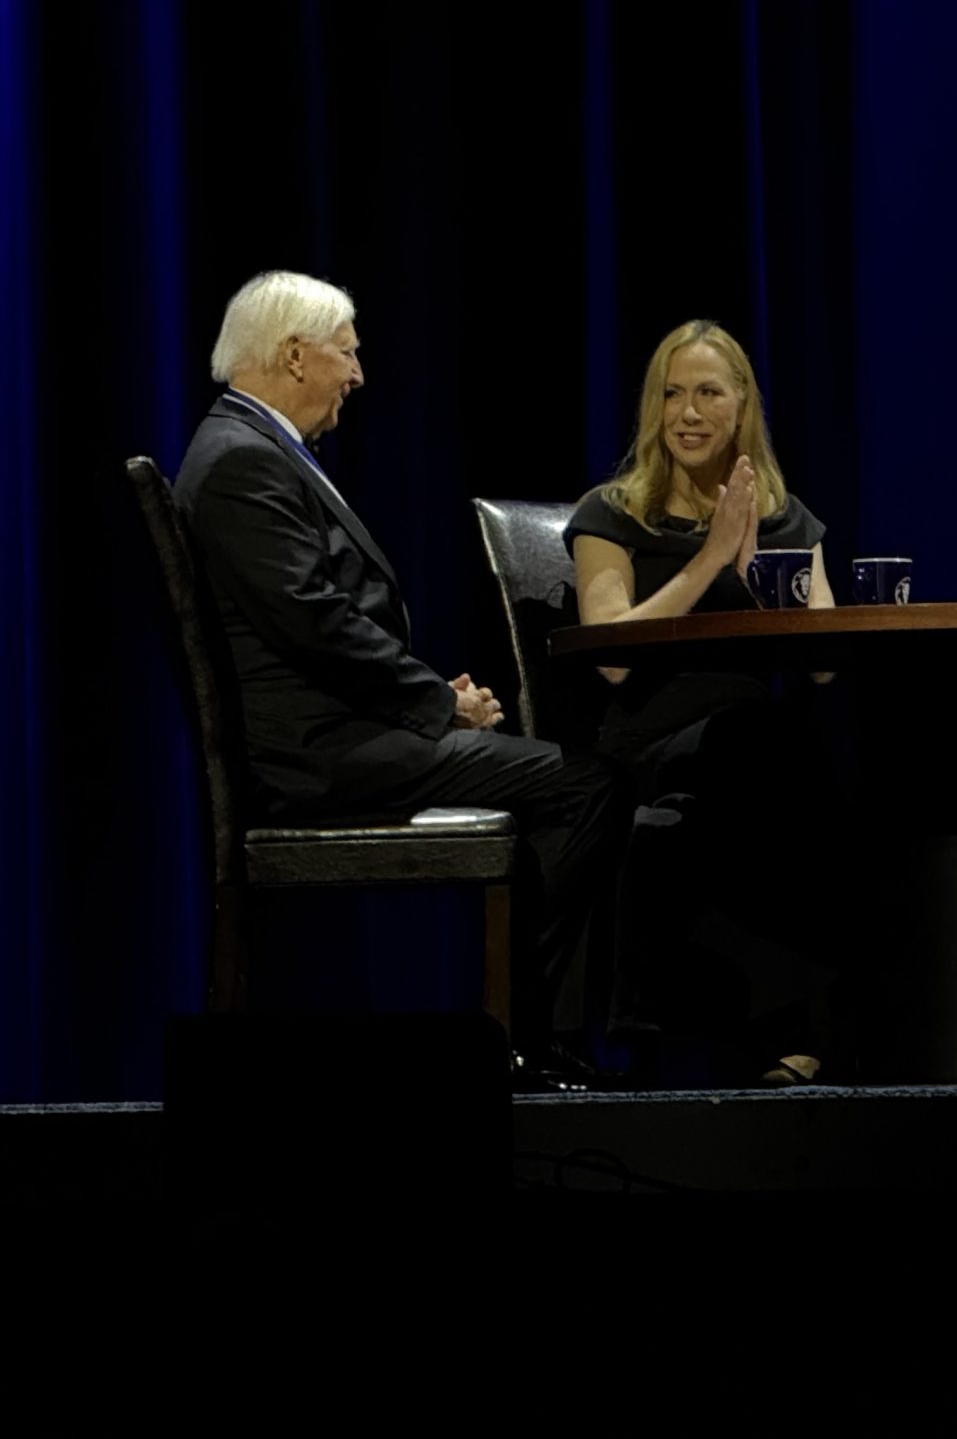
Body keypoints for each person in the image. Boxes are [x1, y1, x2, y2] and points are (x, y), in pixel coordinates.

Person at [174, 270, 625, 1080]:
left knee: (562, 778)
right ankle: (527, 1039)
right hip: (317, 757)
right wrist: (437, 705)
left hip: (341, 733)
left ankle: (522, 1030)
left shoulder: (250, 447)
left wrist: (428, 698)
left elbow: (320, 624)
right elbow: (315, 625)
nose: (358, 374)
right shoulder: (244, 462)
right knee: (584, 783)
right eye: (346, 353)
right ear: (293, 355)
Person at [565, 319, 842, 1085]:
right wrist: (710, 559)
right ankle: (795, 1025)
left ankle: (792, 1024)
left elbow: (823, 662)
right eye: (671, 394)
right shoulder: (612, 514)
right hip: (649, 735)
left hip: (756, 743)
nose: (687, 412)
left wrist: (756, 567)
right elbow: (614, 655)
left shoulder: (786, 518)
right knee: (766, 749)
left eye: (708, 393)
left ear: (742, 404)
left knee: (787, 751)